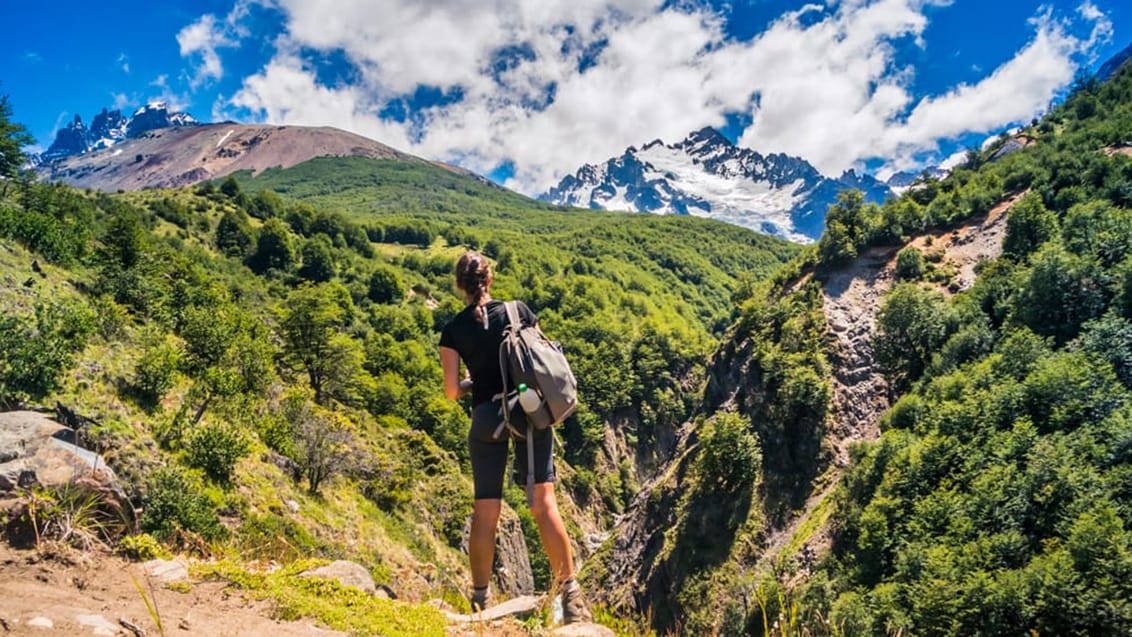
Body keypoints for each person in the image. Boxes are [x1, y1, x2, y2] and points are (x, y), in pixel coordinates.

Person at [439, 251, 591, 623]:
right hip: (528, 412)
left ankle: (480, 601)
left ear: (460, 286)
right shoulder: (518, 311)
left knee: (485, 512)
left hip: (486, 418)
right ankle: (571, 598)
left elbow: (451, 391)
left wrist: (476, 381)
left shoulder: (453, 331)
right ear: (489, 281)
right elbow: (539, 361)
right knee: (543, 504)